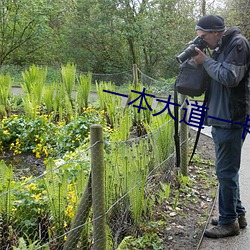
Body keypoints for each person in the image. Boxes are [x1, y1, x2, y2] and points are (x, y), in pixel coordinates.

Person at [192, 15, 250, 238]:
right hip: (220, 116)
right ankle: (237, 214)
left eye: (204, 37)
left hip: (231, 117)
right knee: (227, 170)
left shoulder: (238, 44)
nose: (203, 41)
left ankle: (228, 223)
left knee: (225, 171)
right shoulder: (221, 46)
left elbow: (229, 77)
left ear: (216, 32)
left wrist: (205, 61)